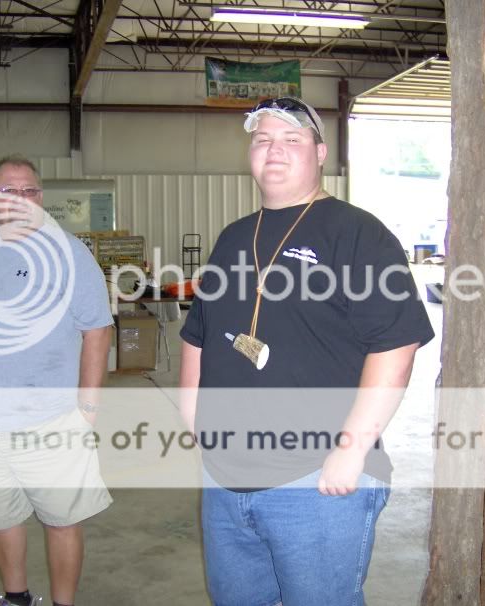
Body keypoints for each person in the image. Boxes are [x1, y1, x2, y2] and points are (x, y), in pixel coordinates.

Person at [179, 98, 435, 605]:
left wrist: (352, 449)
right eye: (262, 140)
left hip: (314, 480)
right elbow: (198, 336)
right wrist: (195, 423)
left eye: (291, 139)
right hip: (225, 480)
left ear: (319, 153)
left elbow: (396, 345)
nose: (274, 149)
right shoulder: (233, 238)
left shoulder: (358, 234)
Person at [0, 155, 113, 606]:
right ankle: (16, 597)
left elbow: (97, 329)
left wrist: (88, 408)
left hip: (48, 420)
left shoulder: (69, 253)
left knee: (62, 520)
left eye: (30, 190)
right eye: (10, 191)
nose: (22, 199)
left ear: (41, 197)